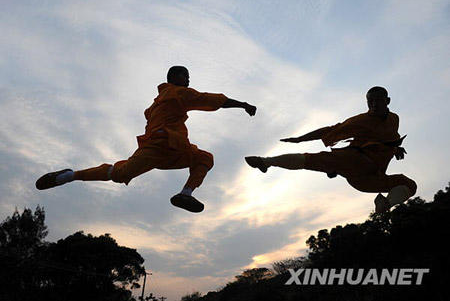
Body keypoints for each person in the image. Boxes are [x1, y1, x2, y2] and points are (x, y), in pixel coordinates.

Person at [36, 66, 257, 213]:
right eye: (184, 76)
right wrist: (243, 105)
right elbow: (211, 99)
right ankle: (69, 176)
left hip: (175, 148)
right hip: (159, 146)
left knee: (204, 157)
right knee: (121, 173)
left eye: (188, 77)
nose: (188, 80)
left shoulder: (155, 103)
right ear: (173, 78)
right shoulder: (177, 93)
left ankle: (185, 195)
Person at [245, 86, 416, 213]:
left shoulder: (394, 119)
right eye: (370, 101)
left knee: (409, 185)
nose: (374, 104)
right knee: (313, 160)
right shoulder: (360, 121)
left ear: (387, 101)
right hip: (354, 160)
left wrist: (396, 149)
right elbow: (329, 130)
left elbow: (390, 137)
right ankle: (265, 162)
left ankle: (386, 204)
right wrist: (300, 138)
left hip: (367, 179)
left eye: (378, 100)